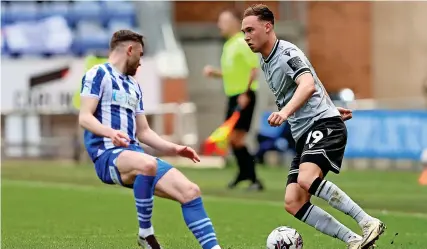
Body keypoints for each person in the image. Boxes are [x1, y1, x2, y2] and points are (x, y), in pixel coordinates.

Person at [241, 4, 385, 249]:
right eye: (243, 32)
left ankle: (367, 221)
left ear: (267, 27)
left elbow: (307, 84)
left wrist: (286, 112)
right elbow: (313, 81)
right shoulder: (266, 61)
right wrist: (328, 105)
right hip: (309, 130)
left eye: (250, 30)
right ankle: (355, 241)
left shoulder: (286, 52)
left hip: (322, 126)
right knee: (293, 201)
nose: (246, 37)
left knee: (307, 179)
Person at [79, 30, 222, 249]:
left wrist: (175, 149)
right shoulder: (97, 74)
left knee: (190, 191)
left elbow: (144, 132)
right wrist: (110, 133)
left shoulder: (134, 86)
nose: (141, 62)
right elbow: (85, 117)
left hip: (135, 155)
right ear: (129, 50)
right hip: (106, 155)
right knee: (147, 163)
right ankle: (145, 233)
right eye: (140, 54)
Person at [203, 8, 263, 191]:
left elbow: (254, 69)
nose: (219, 25)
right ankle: (244, 174)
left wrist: (245, 93)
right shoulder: (228, 45)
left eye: (223, 21)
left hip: (244, 96)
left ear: (235, 23)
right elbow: (232, 73)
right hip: (233, 96)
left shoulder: (243, 43)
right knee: (231, 139)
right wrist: (215, 74)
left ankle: (253, 178)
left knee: (237, 138)